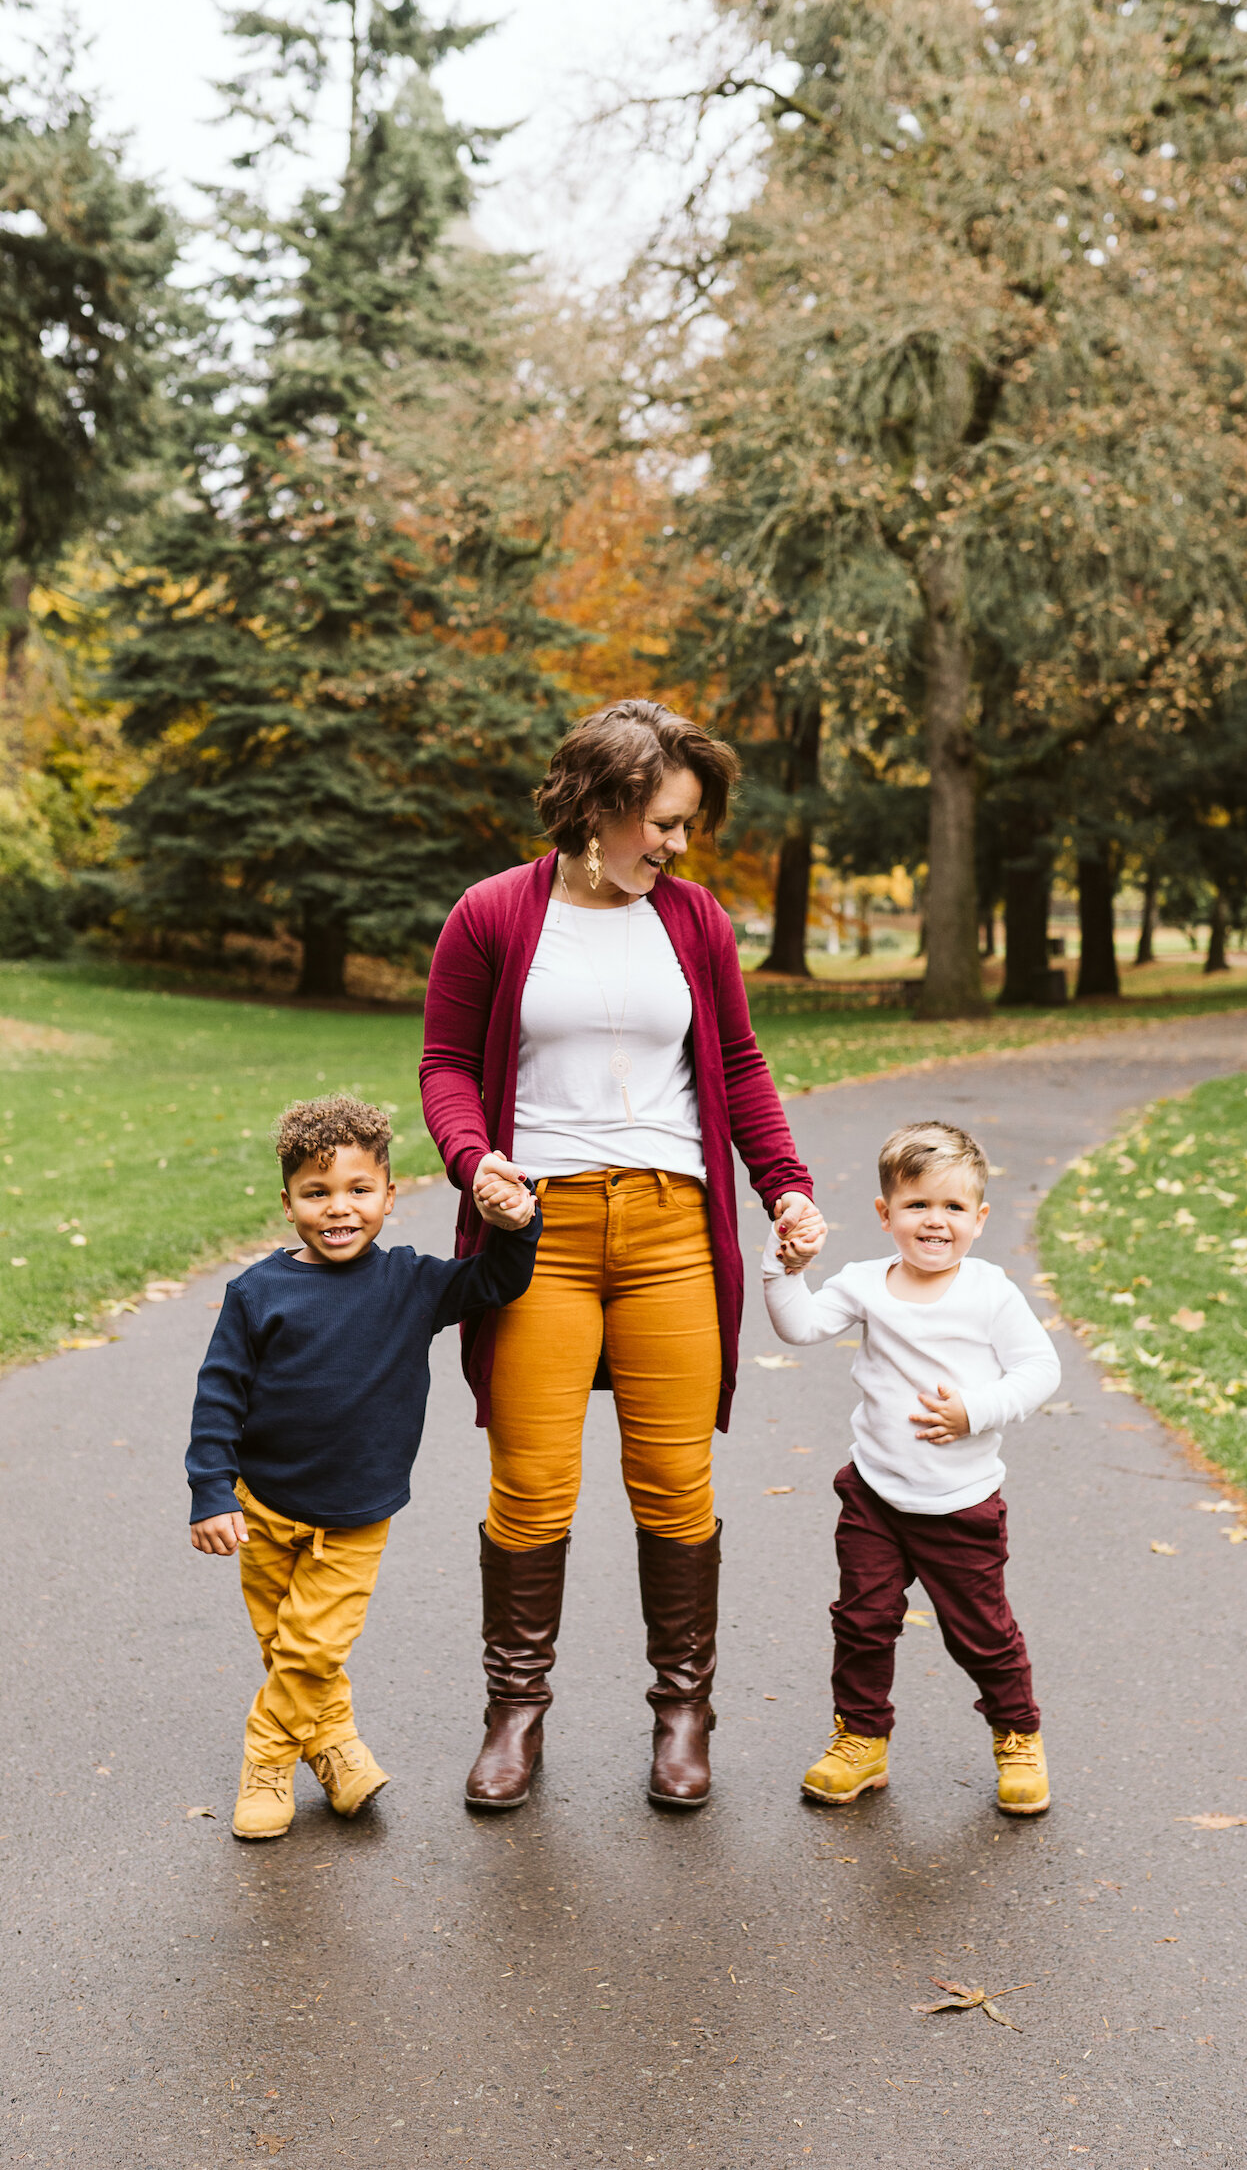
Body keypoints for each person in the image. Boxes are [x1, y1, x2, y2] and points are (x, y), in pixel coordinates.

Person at [420, 698, 827, 1811]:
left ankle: (682, 1714)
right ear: (595, 805)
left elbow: (736, 1066)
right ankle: (516, 1713)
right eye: (660, 821)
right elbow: (447, 1063)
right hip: (536, 1234)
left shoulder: (694, 921)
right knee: (533, 1485)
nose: (676, 845)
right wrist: (474, 1162)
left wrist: (782, 1184)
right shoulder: (494, 913)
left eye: (689, 825)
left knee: (673, 1481)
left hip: (669, 1234)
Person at [185, 1093, 540, 1840]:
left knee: (313, 1646)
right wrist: (211, 1491)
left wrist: (516, 1223)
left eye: (357, 1190)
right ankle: (338, 1748)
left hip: (354, 1515)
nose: (338, 1209)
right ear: (287, 1203)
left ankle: (268, 1756)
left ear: (388, 1190)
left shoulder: (411, 1281)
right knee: (292, 1650)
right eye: (317, 1193)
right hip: (263, 1507)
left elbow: (496, 1283)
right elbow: (218, 1395)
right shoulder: (257, 1293)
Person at [764, 1119, 1060, 1816]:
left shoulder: (989, 1292)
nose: (936, 1221)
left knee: (982, 1633)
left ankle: (1018, 1732)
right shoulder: (865, 1283)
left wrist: (976, 1410)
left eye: (954, 1207)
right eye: (918, 1204)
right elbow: (799, 1326)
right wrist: (786, 1269)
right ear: (885, 1213)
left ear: (979, 1218)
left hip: (961, 1504)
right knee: (862, 1621)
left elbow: (1040, 1368)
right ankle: (861, 1738)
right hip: (874, 1496)